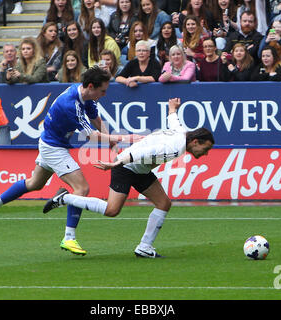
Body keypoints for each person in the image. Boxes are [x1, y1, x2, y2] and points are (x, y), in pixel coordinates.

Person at [0, 67, 135, 256]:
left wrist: (110, 139)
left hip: (48, 142)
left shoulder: (83, 95)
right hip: (54, 147)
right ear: (90, 86)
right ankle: (69, 238)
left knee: (34, 183)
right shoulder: (72, 105)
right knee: (82, 189)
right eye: (102, 91)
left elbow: (96, 118)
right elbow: (92, 135)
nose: (104, 94)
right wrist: (121, 139)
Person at [43, 97, 214, 258]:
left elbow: (173, 120)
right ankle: (65, 198)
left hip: (140, 169)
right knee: (112, 210)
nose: (205, 154)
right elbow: (141, 152)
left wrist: (172, 108)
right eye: (205, 149)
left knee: (163, 203)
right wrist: (117, 163)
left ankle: (145, 247)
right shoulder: (175, 148)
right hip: (126, 166)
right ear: (196, 142)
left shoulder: (182, 134)